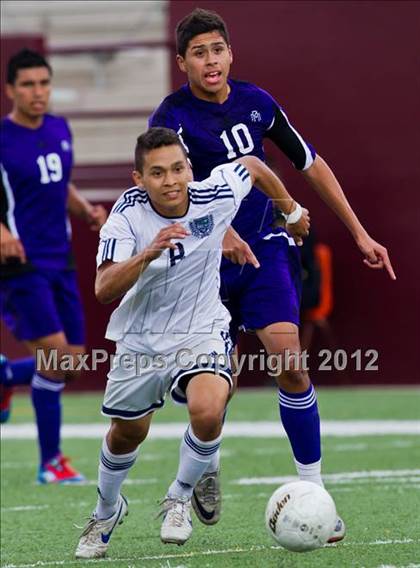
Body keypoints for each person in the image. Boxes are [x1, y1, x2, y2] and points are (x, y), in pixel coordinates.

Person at [149, 8, 396, 541]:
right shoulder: (170, 119)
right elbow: (170, 195)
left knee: (291, 365)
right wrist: (218, 234)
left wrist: (359, 232)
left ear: (230, 53)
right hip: (203, 268)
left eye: (218, 49)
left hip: (265, 252)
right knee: (217, 393)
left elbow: (311, 163)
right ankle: (205, 465)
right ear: (182, 63)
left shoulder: (258, 103)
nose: (210, 60)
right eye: (199, 52)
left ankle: (317, 494)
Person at [74, 126, 309, 557]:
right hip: (141, 339)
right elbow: (104, 287)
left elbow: (254, 166)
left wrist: (290, 210)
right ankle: (106, 510)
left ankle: (180, 496)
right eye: (158, 173)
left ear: (189, 167)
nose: (171, 181)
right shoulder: (126, 217)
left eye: (178, 168)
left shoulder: (213, 192)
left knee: (207, 409)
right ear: (138, 179)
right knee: (127, 434)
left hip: (201, 328)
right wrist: (147, 254)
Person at [0, 49, 107, 483]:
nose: (37, 92)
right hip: (20, 262)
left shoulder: (60, 128)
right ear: (10, 90)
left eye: (43, 83)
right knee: (55, 356)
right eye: (27, 84)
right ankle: (51, 462)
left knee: (73, 361)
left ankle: (6, 373)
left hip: (60, 258)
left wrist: (85, 210)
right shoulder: (3, 138)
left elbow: (59, 181)